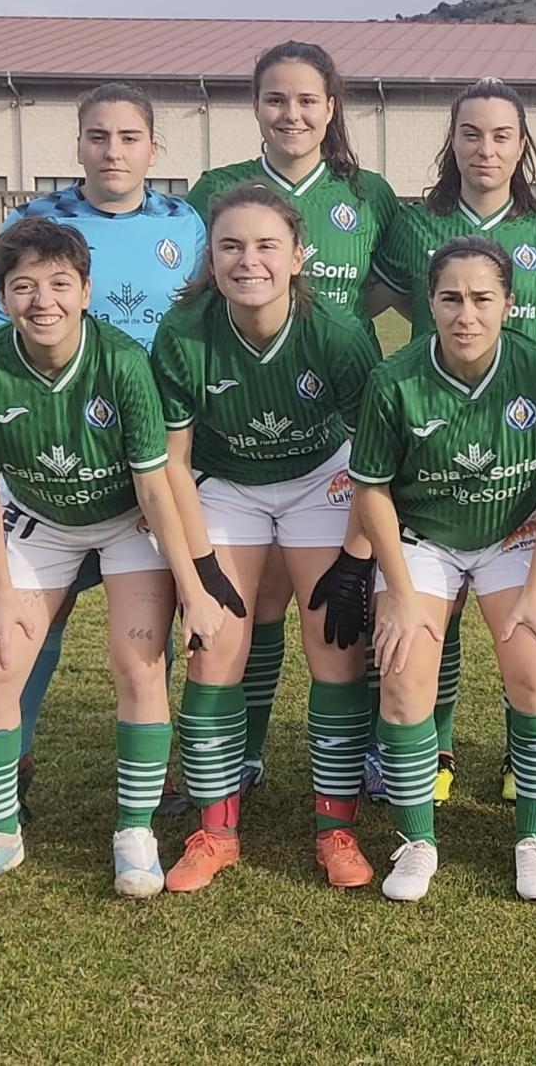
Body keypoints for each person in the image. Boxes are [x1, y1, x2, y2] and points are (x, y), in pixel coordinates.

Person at [0, 217, 225, 900]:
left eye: (60, 283)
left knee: (139, 662)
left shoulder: (122, 361)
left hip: (128, 523)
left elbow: (155, 485)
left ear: (87, 289)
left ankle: (135, 831)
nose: (43, 301)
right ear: (2, 294)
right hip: (37, 521)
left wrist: (195, 587)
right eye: (23, 285)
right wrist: (0, 589)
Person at [0, 82, 206, 824]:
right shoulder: (35, 224)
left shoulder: (184, 224)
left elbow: (203, 329)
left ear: (152, 149)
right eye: (98, 136)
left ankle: (158, 774)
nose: (113, 150)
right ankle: (17, 756)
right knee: (42, 614)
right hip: (61, 454)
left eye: (129, 137)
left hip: (152, 456)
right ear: (78, 144)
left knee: (151, 624)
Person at [150, 185, 380, 893]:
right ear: (211, 259)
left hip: (322, 478)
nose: (249, 260)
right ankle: (215, 832)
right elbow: (174, 463)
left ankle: (334, 827)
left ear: (297, 256)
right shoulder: (184, 331)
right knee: (215, 643)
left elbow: (375, 456)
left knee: (337, 644)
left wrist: (353, 559)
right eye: (231, 246)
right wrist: (198, 566)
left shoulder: (337, 332)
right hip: (226, 486)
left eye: (266, 245)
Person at [186, 41, 403, 794]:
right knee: (258, 598)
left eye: (308, 99)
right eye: (276, 98)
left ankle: (367, 753)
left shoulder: (367, 192)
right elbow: (191, 291)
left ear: (331, 107)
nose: (292, 113)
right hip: (237, 427)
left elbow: (402, 288)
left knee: (346, 600)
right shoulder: (216, 187)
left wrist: (328, 324)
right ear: (256, 106)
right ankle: (240, 754)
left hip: (336, 424)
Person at [345, 235, 536, 902]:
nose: (465, 314)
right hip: (422, 539)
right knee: (404, 675)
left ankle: (533, 839)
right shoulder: (396, 379)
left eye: (482, 298)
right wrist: (398, 589)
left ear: (510, 302)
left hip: (512, 537)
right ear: (430, 301)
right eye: (451, 298)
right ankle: (417, 840)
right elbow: (372, 490)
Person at [372, 78, 536, 803]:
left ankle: (520, 753)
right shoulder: (410, 227)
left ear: (523, 145)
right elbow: (369, 302)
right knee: (442, 607)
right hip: (436, 435)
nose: (485, 147)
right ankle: (437, 743)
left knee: (519, 619)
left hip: (522, 446)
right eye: (471, 133)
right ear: (451, 140)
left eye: (501, 135)